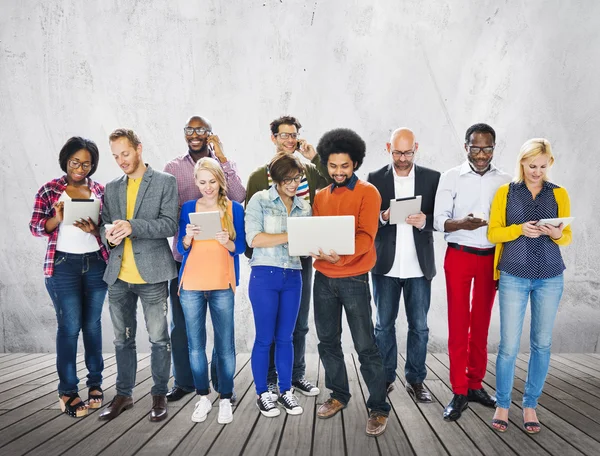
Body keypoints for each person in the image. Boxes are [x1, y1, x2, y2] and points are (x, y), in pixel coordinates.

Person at [488, 138, 572, 433]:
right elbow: (492, 233)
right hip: (513, 273)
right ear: (522, 162)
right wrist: (519, 229)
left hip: (550, 275)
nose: (536, 172)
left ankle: (530, 404)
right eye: (531, 165)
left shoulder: (559, 193)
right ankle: (502, 404)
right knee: (509, 345)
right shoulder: (505, 192)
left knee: (542, 344)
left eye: (542, 166)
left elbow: (568, 235)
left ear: (550, 164)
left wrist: (557, 233)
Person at [311, 128, 391, 437]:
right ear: (326, 165)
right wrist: (320, 254)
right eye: (333, 166)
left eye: (344, 166)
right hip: (323, 280)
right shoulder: (320, 196)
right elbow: (318, 234)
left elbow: (366, 237)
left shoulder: (368, 193)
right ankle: (339, 395)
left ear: (354, 163)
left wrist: (339, 261)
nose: (339, 171)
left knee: (365, 346)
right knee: (328, 342)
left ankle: (379, 407)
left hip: (355, 279)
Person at [245, 115, 329, 399]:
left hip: (299, 262)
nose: (289, 140)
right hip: (268, 262)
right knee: (268, 328)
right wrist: (258, 256)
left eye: (293, 135)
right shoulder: (259, 177)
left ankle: (294, 376)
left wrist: (315, 158)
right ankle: (269, 380)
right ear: (273, 138)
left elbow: (334, 186)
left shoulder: (308, 171)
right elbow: (251, 223)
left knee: (298, 323)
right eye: (284, 135)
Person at [163, 116, 246, 402]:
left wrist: (221, 158)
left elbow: (238, 197)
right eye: (189, 129)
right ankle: (189, 385)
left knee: (223, 339)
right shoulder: (174, 168)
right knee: (184, 331)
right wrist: (185, 239)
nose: (194, 134)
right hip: (189, 263)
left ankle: (222, 387)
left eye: (200, 130)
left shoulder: (224, 178)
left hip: (220, 269)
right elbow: (169, 211)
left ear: (210, 134)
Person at [98, 128, 178, 423]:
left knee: (158, 338)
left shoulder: (165, 182)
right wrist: (109, 235)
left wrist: (133, 226)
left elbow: (169, 224)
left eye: (125, 153)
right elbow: (103, 224)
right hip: (118, 275)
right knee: (122, 340)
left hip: (153, 275)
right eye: (116, 156)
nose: (121, 160)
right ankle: (123, 395)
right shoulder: (112, 186)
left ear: (139, 149)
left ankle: (159, 394)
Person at [433, 123, 511, 421]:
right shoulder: (451, 177)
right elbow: (440, 221)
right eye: (476, 148)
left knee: (480, 323)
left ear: (494, 148)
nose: (481, 155)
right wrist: (461, 223)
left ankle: (476, 384)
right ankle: (459, 389)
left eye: (487, 148)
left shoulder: (505, 180)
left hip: (490, 258)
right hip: (460, 256)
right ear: (466, 146)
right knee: (458, 323)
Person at [29, 137, 109, 417]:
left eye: (86, 163)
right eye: (75, 162)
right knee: (70, 327)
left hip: (96, 264)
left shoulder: (99, 190)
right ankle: (67, 391)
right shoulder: (50, 190)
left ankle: (96, 383)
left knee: (93, 326)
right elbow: (36, 227)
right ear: (66, 160)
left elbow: (106, 232)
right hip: (63, 266)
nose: (80, 168)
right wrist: (57, 219)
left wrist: (95, 229)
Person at [367, 128, 440, 402]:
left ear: (416, 148)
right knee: (383, 325)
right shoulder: (375, 179)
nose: (402, 158)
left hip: (419, 267)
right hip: (386, 265)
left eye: (408, 152)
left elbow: (440, 217)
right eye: (397, 152)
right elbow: (367, 222)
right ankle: (386, 378)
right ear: (388, 147)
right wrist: (384, 216)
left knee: (419, 326)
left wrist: (425, 221)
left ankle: (416, 380)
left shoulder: (432, 178)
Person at [177, 157, 245, 425]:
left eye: (212, 181)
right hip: (191, 284)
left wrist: (227, 240)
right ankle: (203, 397)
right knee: (195, 346)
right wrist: (187, 238)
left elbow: (239, 249)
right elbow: (182, 250)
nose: (207, 187)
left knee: (225, 345)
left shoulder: (233, 208)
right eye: (202, 182)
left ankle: (225, 398)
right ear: (195, 182)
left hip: (221, 284)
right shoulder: (188, 208)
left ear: (220, 180)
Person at [245, 153, 311, 417]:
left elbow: (304, 247)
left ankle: (286, 392)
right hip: (264, 276)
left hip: (293, 276)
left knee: (287, 338)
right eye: (288, 180)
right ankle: (263, 393)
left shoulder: (304, 207)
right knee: (264, 338)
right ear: (274, 178)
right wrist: (292, 235)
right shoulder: (259, 200)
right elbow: (254, 239)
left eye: (297, 179)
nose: (293, 185)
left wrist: (317, 245)